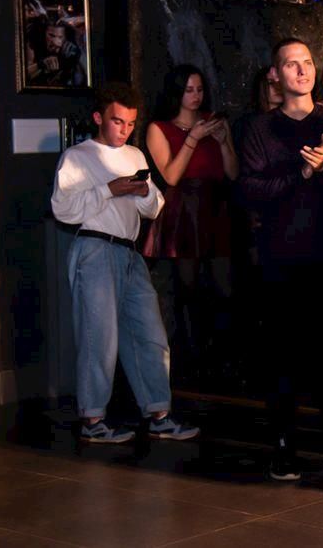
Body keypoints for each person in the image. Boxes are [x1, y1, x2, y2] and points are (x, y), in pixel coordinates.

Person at [51, 82, 199, 443]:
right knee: (98, 337)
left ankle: (159, 414)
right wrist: (110, 189)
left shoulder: (134, 155)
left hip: (130, 251)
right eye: (118, 121)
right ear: (98, 118)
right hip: (95, 247)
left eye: (131, 123)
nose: (125, 130)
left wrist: (142, 190)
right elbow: (63, 209)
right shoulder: (77, 156)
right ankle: (92, 420)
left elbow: (154, 207)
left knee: (150, 334)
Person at [238, 37, 323, 481]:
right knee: (282, 354)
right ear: (275, 74)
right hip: (281, 255)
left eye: (307, 62)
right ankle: (284, 445)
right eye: (292, 64)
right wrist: (302, 172)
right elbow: (249, 190)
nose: (303, 70)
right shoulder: (259, 129)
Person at [142, 65, 237, 381]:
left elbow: (233, 172)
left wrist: (223, 142)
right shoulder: (159, 128)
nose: (196, 96)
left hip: (215, 206)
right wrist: (193, 138)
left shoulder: (214, 121)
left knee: (225, 286)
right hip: (184, 210)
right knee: (188, 287)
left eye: (199, 89)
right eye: (188, 90)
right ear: (176, 93)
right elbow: (170, 176)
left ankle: (224, 356)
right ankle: (191, 359)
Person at [26, 19, 86, 87]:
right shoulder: (34, 44)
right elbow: (24, 74)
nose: (55, 41)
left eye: (60, 37)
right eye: (51, 35)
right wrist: (41, 64)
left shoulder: (70, 49)